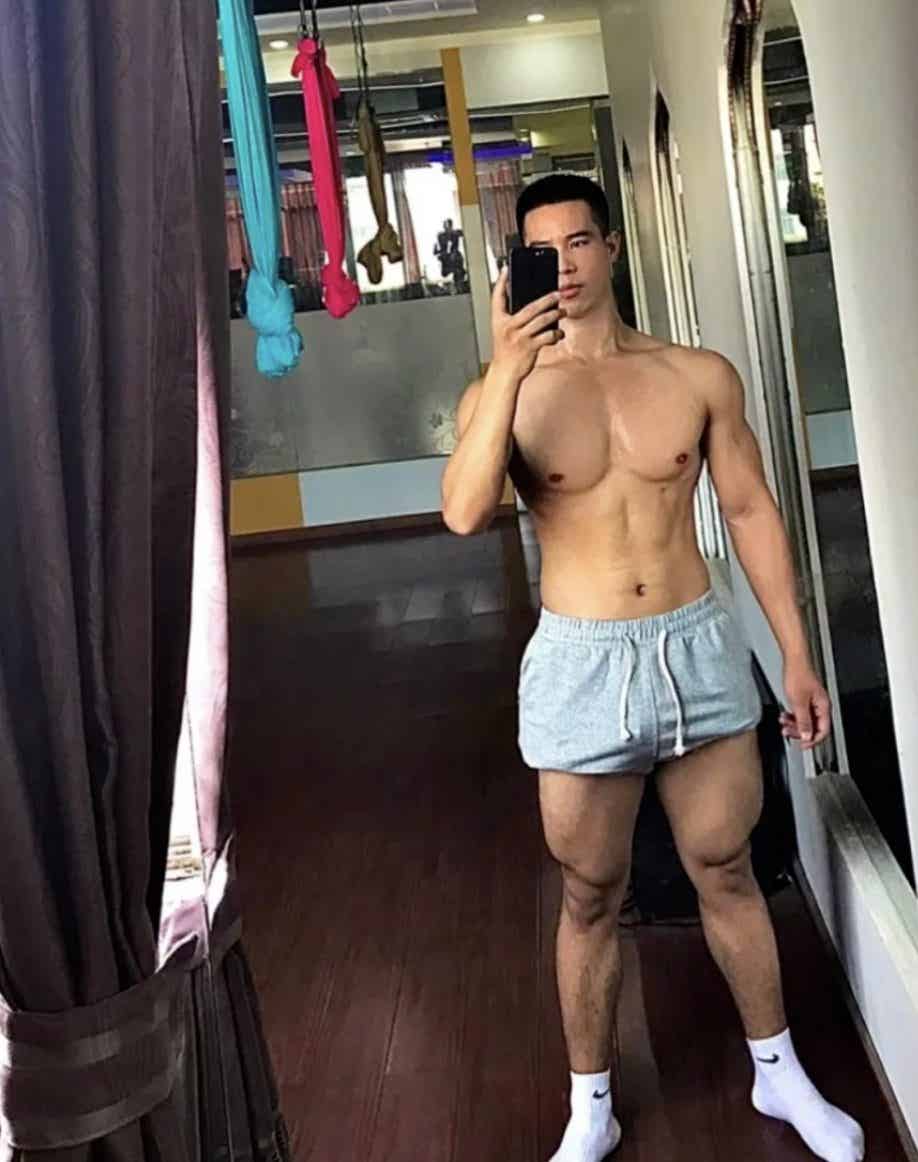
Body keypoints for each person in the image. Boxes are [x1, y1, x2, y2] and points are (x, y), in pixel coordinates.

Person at [441, 173, 864, 1162]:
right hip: (581, 661)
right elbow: (463, 512)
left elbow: (750, 509)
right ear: (516, 265)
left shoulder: (695, 374)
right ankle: (591, 1106)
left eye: (579, 242)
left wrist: (797, 655)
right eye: (541, 252)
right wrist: (506, 367)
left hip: (696, 643)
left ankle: (777, 1073)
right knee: (590, 892)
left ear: (614, 247)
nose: (564, 266)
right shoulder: (504, 393)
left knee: (728, 866)